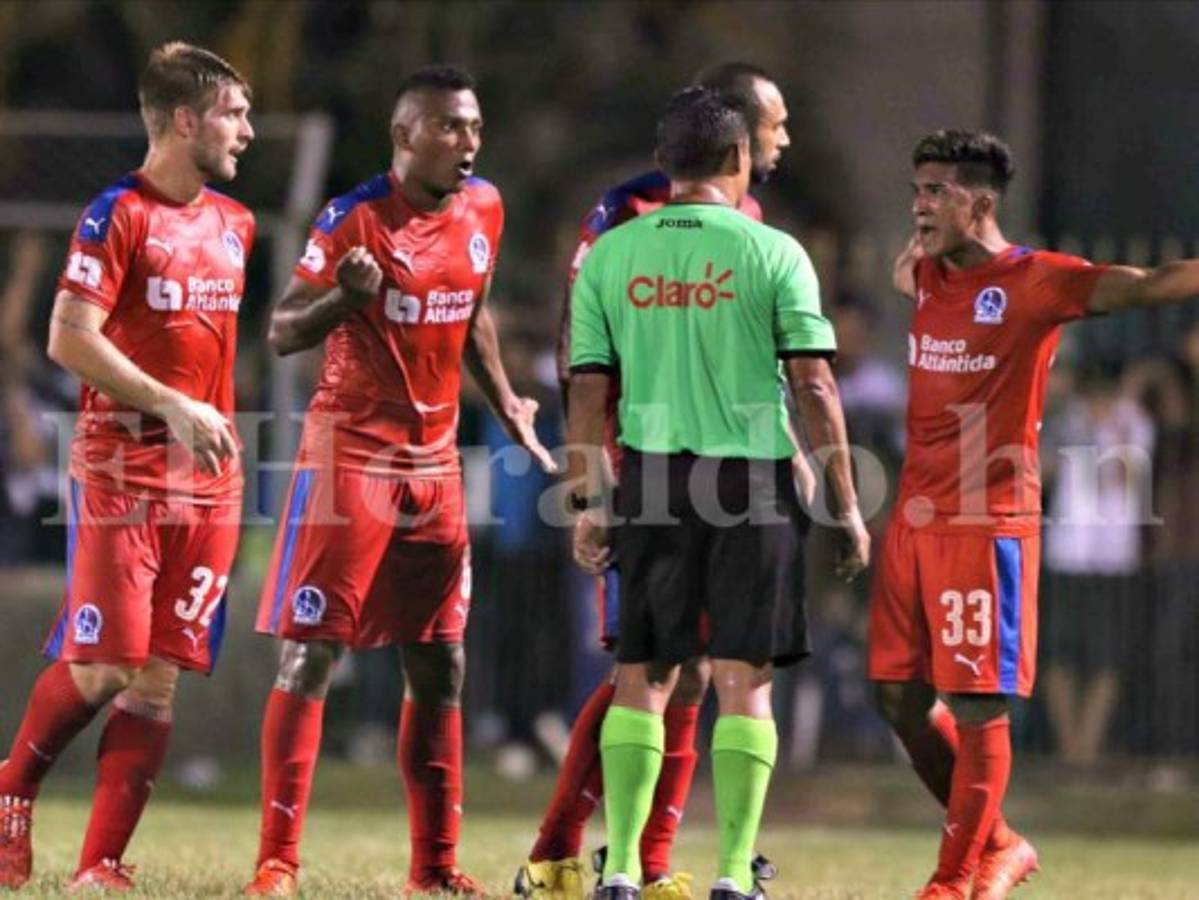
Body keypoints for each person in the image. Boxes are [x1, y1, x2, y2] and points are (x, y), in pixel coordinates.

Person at [243, 65, 554, 897]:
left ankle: (436, 868)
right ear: (405, 133)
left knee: (441, 661)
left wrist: (509, 404)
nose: (468, 143)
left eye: (475, 127)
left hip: (437, 464)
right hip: (350, 458)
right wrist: (342, 302)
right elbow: (279, 331)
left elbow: (474, 309)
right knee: (311, 654)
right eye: (451, 127)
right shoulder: (353, 220)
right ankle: (276, 862)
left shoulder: (483, 207)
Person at [872, 128, 1199, 899]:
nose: (918, 207)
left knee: (976, 701)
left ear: (980, 202)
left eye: (936, 192)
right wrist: (921, 249)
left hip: (986, 522)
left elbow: (1149, 282)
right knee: (896, 697)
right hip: (914, 520)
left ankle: (953, 882)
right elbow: (902, 273)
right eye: (915, 189)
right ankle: (1001, 842)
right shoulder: (921, 271)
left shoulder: (1035, 281)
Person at [567, 86, 869, 900]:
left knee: (644, 674)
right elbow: (812, 384)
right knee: (744, 677)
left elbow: (589, 391)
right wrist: (843, 500)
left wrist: (588, 500)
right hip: (752, 485)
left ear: (664, 165)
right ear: (738, 160)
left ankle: (622, 865)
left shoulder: (611, 254)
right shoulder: (775, 254)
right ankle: (735, 871)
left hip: (653, 480)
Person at [519, 62, 800, 900]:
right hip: (643, 467)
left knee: (696, 669)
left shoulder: (745, 219)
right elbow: (583, 355)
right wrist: (593, 481)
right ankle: (559, 850)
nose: (786, 140)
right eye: (776, 125)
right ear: (736, 135)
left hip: (727, 471)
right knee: (646, 672)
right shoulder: (625, 215)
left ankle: (643, 859)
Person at [0, 42, 254, 890]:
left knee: (156, 683)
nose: (246, 132)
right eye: (232, 114)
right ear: (185, 121)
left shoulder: (237, 224)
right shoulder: (118, 214)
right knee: (106, 666)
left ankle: (99, 868)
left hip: (209, 486)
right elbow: (68, 336)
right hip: (120, 476)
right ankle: (11, 790)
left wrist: (209, 414)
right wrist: (171, 404)